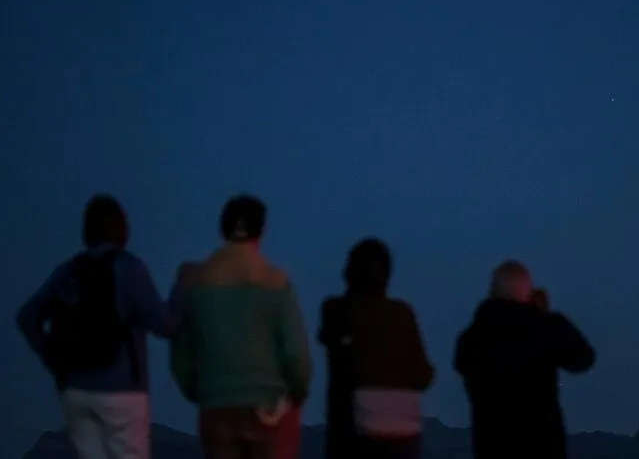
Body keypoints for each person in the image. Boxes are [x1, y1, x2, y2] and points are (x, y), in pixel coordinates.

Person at [15, 194, 181, 459]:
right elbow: (165, 325)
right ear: (122, 230)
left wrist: (54, 361)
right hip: (121, 391)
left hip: (77, 390)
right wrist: (180, 293)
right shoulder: (128, 269)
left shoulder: (68, 272)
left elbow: (27, 318)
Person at [170, 194, 311, 459]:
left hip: (216, 406)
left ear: (223, 229)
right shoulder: (276, 282)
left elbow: (181, 352)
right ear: (261, 230)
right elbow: (297, 356)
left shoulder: (197, 283)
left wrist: (201, 391)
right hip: (267, 406)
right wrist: (297, 392)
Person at [454, 260, 596, 459]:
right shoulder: (544, 327)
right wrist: (543, 316)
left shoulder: (472, 338)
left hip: (492, 445)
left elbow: (461, 363)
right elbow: (583, 358)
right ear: (526, 291)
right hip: (542, 444)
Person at [317, 238, 434, 459]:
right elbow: (423, 375)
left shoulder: (336, 310)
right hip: (401, 430)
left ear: (349, 273)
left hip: (351, 430)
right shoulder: (403, 314)